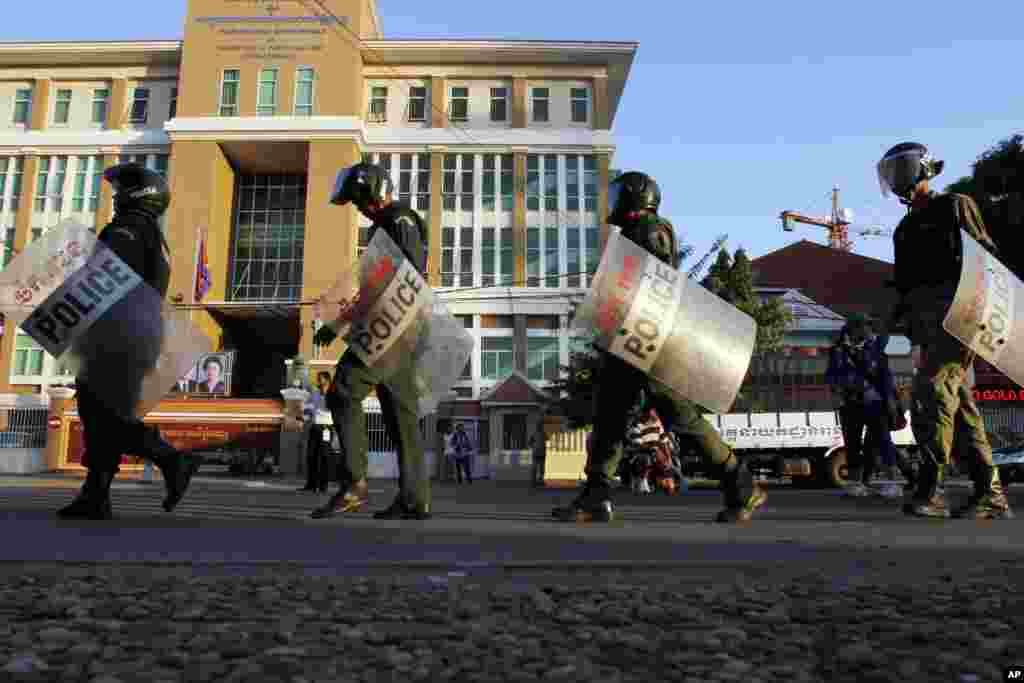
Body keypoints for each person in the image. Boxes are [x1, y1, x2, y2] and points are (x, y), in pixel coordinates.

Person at [552, 171, 766, 523]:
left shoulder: (651, 228)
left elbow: (654, 282)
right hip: (631, 340)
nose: (614, 200)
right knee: (610, 416)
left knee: (680, 417)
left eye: (620, 193)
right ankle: (596, 495)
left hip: (649, 344)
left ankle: (742, 485)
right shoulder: (633, 233)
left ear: (636, 196)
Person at [57, 162, 200, 520]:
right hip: (138, 337)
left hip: (116, 335)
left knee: (101, 413)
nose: (117, 196)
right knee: (105, 412)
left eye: (122, 188)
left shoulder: (126, 229)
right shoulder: (152, 235)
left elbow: (97, 277)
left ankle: (172, 459)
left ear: (139, 194)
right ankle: (95, 495)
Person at [880, 142, 1013, 519]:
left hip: (961, 317)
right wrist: (896, 325)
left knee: (934, 391)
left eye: (898, 169)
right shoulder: (904, 229)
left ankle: (931, 488)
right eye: (888, 173)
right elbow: (904, 287)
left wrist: (986, 315)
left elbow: (987, 259)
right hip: (926, 325)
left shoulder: (955, 205)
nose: (894, 180)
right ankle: (992, 494)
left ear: (919, 169)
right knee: (961, 409)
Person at [311, 162, 431, 520]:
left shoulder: (398, 220)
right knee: (400, 415)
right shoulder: (389, 223)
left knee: (343, 391)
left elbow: (401, 277)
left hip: (390, 325)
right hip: (401, 327)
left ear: (374, 193)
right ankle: (413, 499)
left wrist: (343, 322)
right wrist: (342, 321)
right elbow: (378, 283)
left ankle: (353, 486)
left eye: (359, 201)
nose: (359, 209)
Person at [825, 314, 904, 499]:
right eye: (865, 326)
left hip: (874, 403)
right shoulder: (838, 350)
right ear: (855, 328)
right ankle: (855, 484)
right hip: (850, 402)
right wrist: (838, 385)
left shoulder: (875, 348)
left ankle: (892, 483)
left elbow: (885, 377)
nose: (869, 330)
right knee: (852, 444)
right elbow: (830, 374)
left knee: (883, 442)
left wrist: (890, 403)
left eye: (870, 326)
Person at [299, 371, 334, 493]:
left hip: (326, 428)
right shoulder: (314, 392)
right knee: (311, 456)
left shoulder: (333, 393)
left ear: (327, 380)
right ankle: (311, 484)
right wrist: (303, 419)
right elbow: (308, 408)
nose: (318, 381)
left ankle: (323, 486)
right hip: (314, 427)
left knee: (324, 456)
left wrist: (325, 394)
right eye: (318, 379)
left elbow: (332, 408)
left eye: (320, 379)